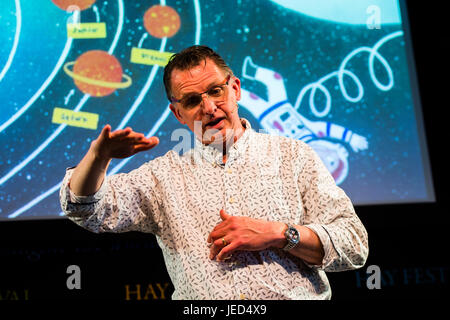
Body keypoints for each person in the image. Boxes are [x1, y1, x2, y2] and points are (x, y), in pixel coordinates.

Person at [60, 45, 368, 300]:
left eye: (216, 91)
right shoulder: (161, 177)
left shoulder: (293, 155)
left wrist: (278, 233)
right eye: (193, 100)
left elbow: (353, 245)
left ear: (235, 89)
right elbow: (86, 208)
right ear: (178, 113)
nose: (208, 107)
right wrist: (98, 157)